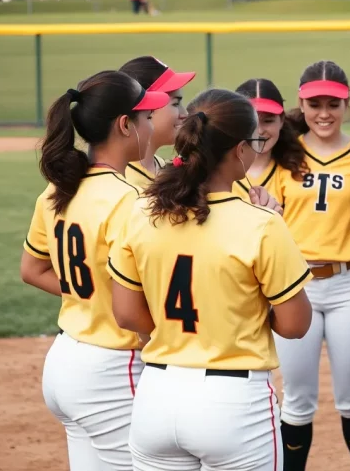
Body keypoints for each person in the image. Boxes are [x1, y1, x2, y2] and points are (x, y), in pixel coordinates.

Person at [106, 88, 314, 471]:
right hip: (233, 402)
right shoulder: (261, 223)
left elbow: (125, 314)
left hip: (156, 396)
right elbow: (296, 324)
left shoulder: (141, 211)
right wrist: (239, 309)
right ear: (239, 150)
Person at [20, 71, 169, 470]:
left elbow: (32, 270)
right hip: (112, 370)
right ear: (125, 124)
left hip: (65, 361)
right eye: (146, 118)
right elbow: (144, 297)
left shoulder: (56, 189)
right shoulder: (129, 201)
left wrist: (87, 294)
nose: (151, 126)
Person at [275, 61, 350, 471]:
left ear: (347, 103)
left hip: (349, 283)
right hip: (296, 285)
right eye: (315, 104)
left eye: (333, 103)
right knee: (297, 397)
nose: (324, 112)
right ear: (301, 103)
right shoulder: (284, 153)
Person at [119, 56, 196, 189]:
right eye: (176, 103)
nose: (185, 114)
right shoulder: (124, 184)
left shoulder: (162, 167)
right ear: (146, 107)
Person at [232, 78, 309, 206]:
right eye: (252, 122)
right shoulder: (219, 174)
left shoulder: (297, 170)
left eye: (268, 121)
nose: (260, 131)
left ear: (282, 120)